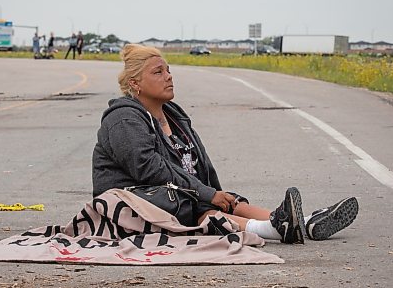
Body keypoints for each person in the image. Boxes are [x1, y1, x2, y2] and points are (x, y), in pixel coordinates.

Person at [92, 44, 358, 244]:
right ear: (134, 83)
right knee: (197, 204)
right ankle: (276, 228)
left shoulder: (174, 115)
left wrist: (216, 195)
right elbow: (150, 171)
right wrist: (207, 195)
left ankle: (302, 222)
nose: (169, 77)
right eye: (158, 72)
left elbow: (198, 166)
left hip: (174, 195)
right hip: (132, 202)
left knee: (220, 201)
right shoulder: (123, 119)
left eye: (169, 70)